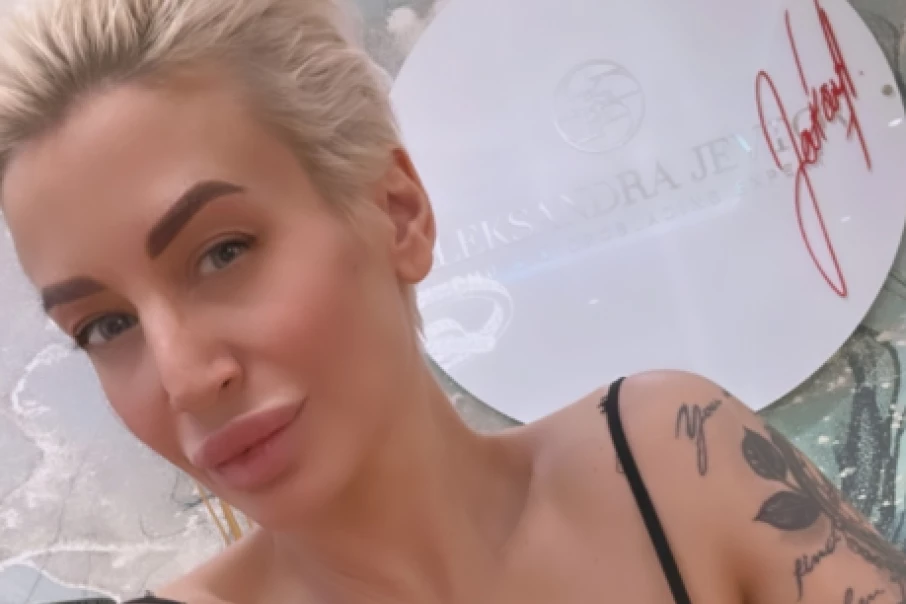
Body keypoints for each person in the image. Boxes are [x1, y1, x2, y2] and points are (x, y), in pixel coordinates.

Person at [0, 0, 904, 603]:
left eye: (222, 251)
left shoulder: (675, 461)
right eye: (105, 326)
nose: (185, 377)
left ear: (398, 212)